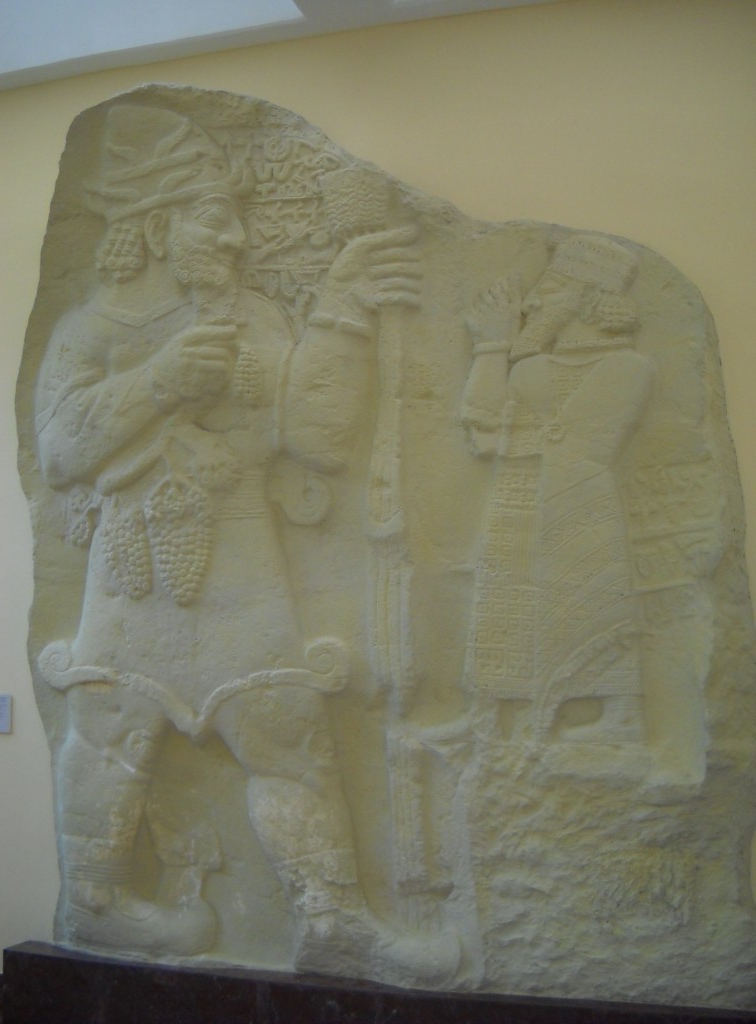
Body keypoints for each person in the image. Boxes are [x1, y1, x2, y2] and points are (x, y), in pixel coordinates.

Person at [35, 103, 452, 982]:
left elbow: (317, 437)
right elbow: (62, 450)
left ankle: (332, 921)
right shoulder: (89, 332)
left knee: (289, 733)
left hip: (242, 567)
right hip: (134, 569)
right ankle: (97, 904)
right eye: (214, 218)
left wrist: (340, 313)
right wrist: (161, 379)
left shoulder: (257, 320)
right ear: (156, 227)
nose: (233, 238)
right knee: (109, 733)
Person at [461, 235, 655, 743]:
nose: (531, 302)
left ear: (587, 299)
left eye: (549, 290)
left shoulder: (627, 368)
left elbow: (582, 443)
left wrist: (520, 363)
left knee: (589, 597)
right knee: (506, 598)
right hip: (518, 496)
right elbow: (482, 427)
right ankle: (496, 714)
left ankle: (620, 717)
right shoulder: (533, 368)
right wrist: (491, 345)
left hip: (577, 501)